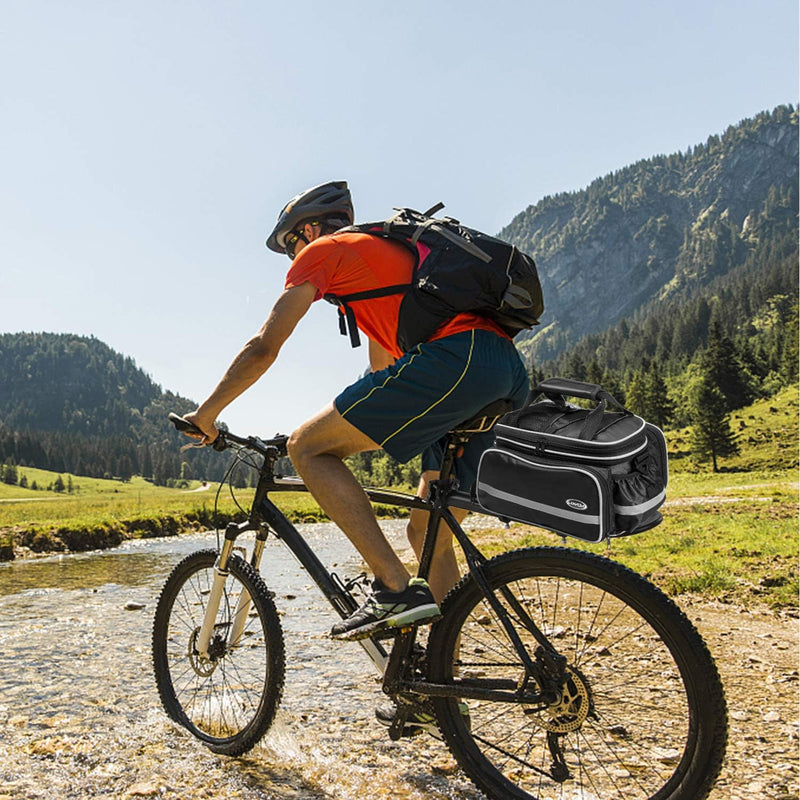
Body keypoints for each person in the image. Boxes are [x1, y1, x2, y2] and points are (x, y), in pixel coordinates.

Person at [184, 180, 529, 644]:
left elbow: (264, 347)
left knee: (306, 448)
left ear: (308, 229)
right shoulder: (385, 260)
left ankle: (392, 586)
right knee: (428, 532)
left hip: (456, 361)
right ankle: (442, 683)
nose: (293, 258)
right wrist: (343, 424)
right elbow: (381, 374)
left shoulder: (324, 251)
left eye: (291, 245)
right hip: (501, 369)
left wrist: (207, 414)